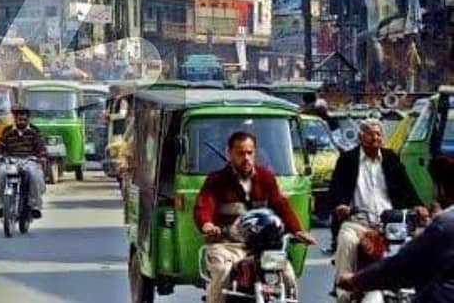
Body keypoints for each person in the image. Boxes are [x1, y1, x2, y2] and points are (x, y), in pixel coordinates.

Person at [194, 131, 316, 303]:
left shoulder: (265, 177)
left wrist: (297, 231)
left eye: (249, 152)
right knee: (222, 273)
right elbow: (204, 205)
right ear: (229, 153)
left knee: (287, 275)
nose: (246, 158)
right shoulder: (216, 179)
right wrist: (207, 224)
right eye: (240, 153)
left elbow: (281, 205)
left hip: (263, 247)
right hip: (228, 245)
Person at [329, 118, 427, 303]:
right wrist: (341, 206)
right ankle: (344, 293)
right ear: (360, 137)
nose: (375, 138)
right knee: (346, 241)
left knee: (412, 246)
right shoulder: (347, 159)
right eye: (370, 134)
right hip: (357, 223)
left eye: (378, 134)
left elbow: (406, 187)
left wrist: (418, 205)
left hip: (390, 224)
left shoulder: (391, 158)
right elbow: (336, 189)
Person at [338, 155, 454, 302]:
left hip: (397, 222)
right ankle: (342, 295)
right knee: (346, 237)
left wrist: (356, 280)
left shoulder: (444, 225)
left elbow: (402, 268)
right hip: (361, 222)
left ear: (442, 188)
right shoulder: (348, 162)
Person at [0, 106, 47, 220]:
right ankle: (0, 205)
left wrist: (42, 156)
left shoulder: (34, 131)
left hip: (29, 161)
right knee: (0, 175)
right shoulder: (7, 131)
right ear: (15, 119)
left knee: (34, 176)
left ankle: (35, 206)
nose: (21, 121)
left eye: (24, 119)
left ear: (28, 119)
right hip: (11, 160)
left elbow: (41, 147)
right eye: (19, 119)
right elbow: (0, 146)